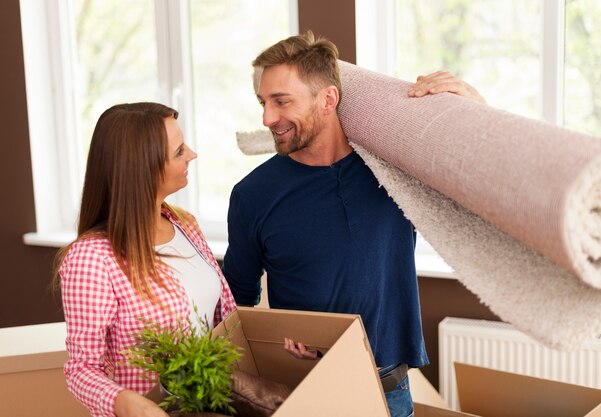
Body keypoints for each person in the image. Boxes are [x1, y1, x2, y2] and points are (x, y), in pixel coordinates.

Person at [222, 31, 485, 417]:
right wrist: (278, 342)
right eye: (263, 102)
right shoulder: (253, 195)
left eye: (281, 101)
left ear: (328, 99)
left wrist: (470, 104)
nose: (267, 118)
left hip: (391, 393)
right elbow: (235, 307)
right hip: (304, 392)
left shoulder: (394, 171)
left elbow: (479, 185)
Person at [54, 102, 237, 417]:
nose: (192, 154)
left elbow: (225, 321)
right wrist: (124, 402)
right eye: (179, 151)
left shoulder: (186, 225)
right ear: (143, 168)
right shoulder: (92, 258)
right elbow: (83, 369)